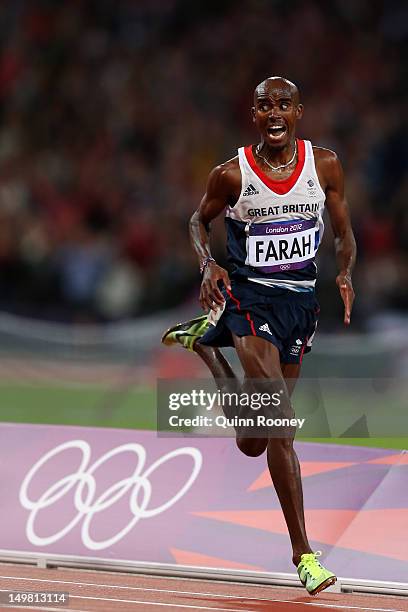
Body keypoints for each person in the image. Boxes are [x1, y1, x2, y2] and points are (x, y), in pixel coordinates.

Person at [162, 76, 356, 596]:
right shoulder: (231, 174)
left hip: (299, 306)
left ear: (299, 112)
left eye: (285, 104)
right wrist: (207, 265)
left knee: (254, 440)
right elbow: (196, 222)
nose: (275, 112)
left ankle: (206, 348)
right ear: (254, 114)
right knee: (282, 424)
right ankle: (305, 555)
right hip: (249, 300)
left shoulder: (325, 166)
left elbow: (342, 231)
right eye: (266, 105)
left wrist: (344, 272)